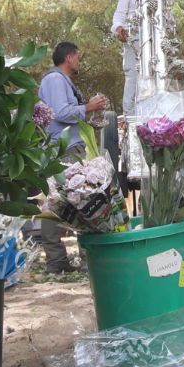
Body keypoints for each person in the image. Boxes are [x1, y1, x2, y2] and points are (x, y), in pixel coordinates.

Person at [36, 41, 110, 273]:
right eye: (78, 56)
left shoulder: (60, 81)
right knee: (68, 200)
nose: (79, 61)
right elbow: (60, 113)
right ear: (69, 57)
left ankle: (63, 261)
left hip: (67, 147)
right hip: (62, 149)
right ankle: (60, 261)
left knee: (69, 200)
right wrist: (88, 107)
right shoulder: (55, 80)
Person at [111, 0, 140, 115]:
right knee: (132, 79)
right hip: (134, 42)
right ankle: (131, 124)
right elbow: (118, 18)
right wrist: (119, 30)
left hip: (157, 43)